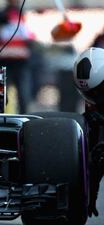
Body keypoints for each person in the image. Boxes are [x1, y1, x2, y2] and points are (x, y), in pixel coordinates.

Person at [0, 0, 33, 113]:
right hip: (4, 62)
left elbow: (30, 38)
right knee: (2, 94)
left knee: (23, 96)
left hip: (20, 62)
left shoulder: (25, 15)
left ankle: (25, 119)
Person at [73, 47, 104, 217]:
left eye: (99, 91)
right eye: (89, 93)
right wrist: (90, 195)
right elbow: (93, 154)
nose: (94, 97)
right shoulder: (92, 105)